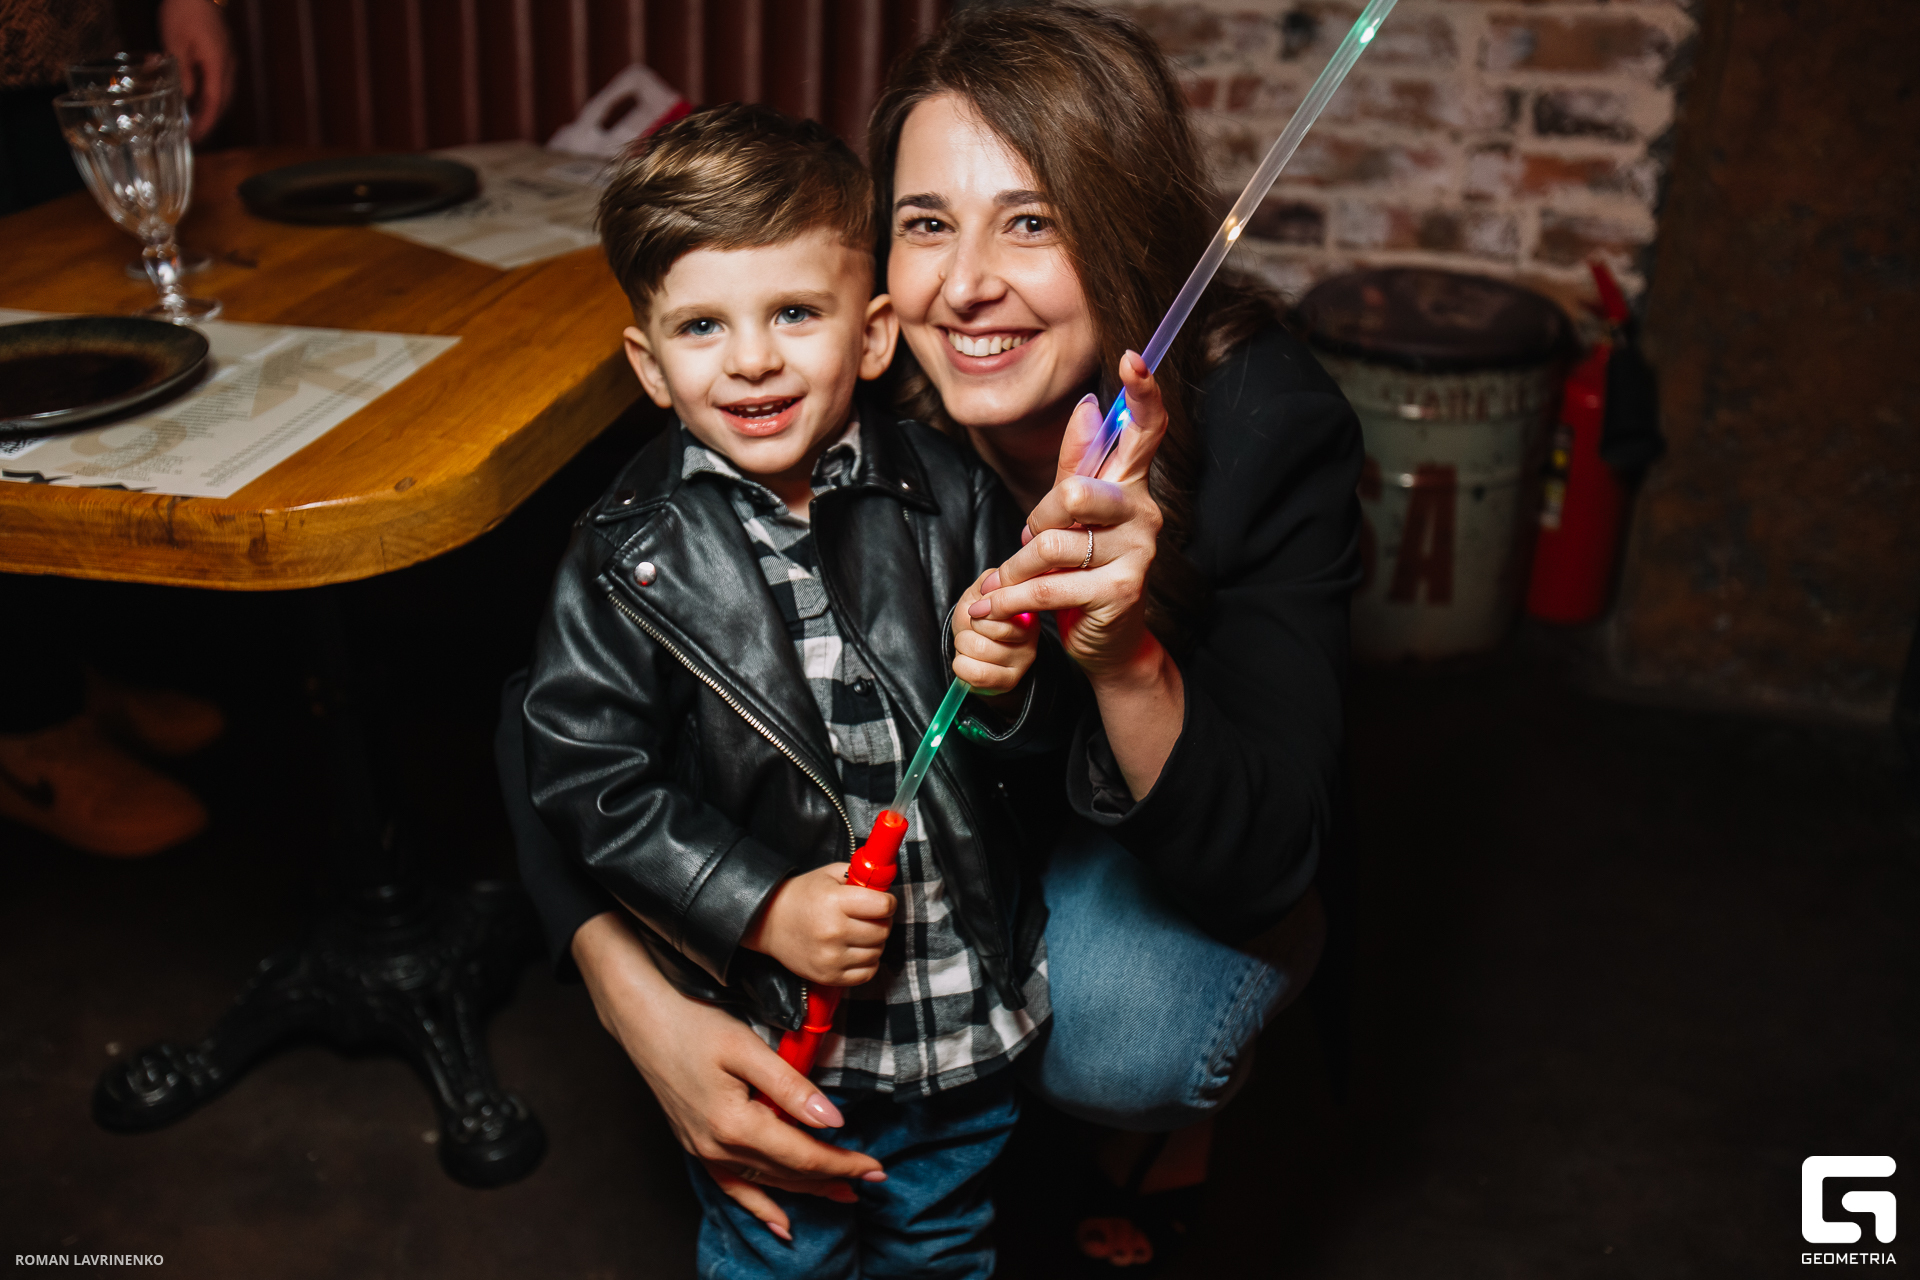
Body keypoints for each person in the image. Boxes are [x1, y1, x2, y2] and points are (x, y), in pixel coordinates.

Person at [502, 2, 1362, 1268]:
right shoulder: (834, 381)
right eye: (924, 224)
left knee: (1126, 1028)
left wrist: (1119, 655)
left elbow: (1264, 850)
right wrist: (644, 1002)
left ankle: (1146, 1138)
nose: (965, 284)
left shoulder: (1265, 424)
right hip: (897, 894)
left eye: (1032, 220)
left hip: (1141, 852)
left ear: (1123, 229)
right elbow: (559, 718)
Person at [518, 102, 1072, 1279]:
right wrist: (760, 904)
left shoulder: (956, 496)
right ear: (649, 364)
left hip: (950, 1007)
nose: (753, 358)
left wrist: (1014, 683)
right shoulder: (624, 552)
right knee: (785, 1257)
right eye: (702, 326)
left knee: (943, 1242)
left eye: (794, 313)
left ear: (871, 336)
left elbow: (1034, 748)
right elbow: (585, 775)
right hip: (777, 1032)